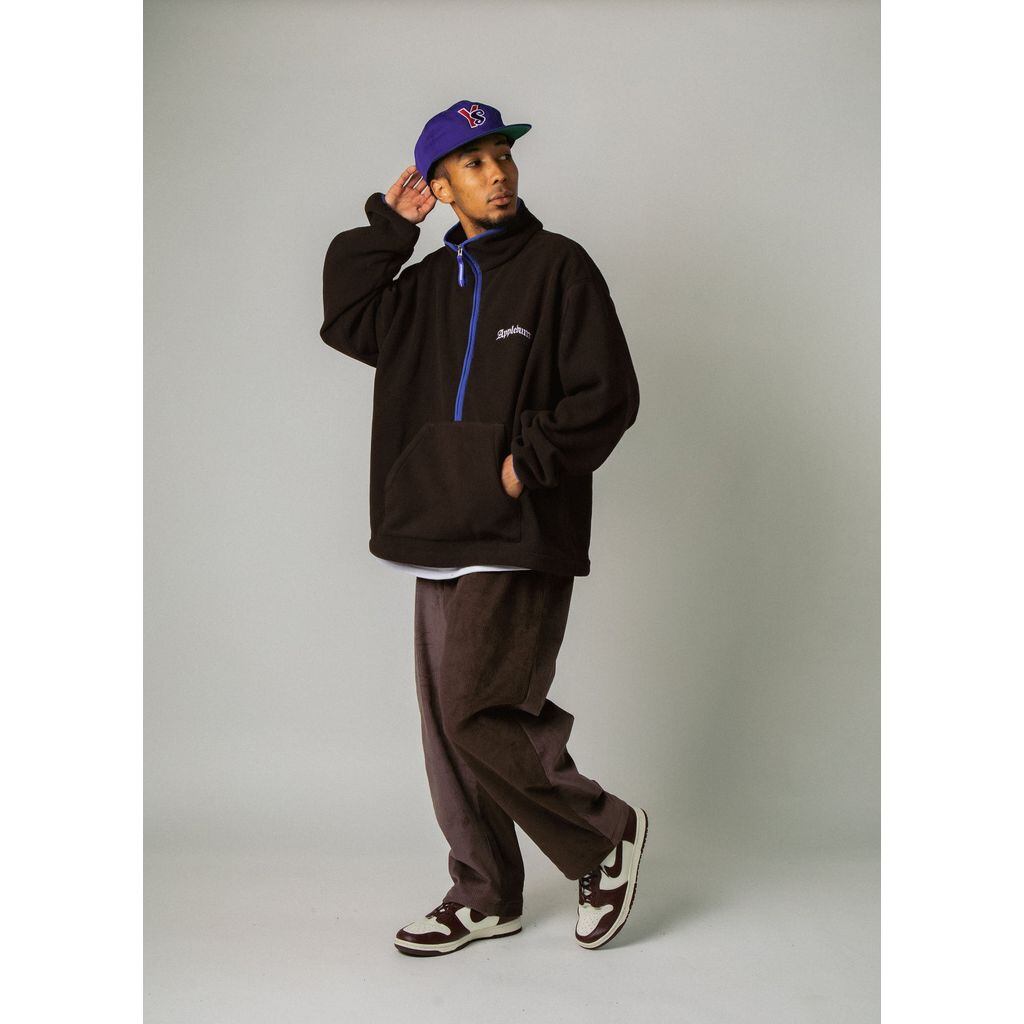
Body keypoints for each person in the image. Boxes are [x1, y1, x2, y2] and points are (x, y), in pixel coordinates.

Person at [319, 99, 648, 955]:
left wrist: (524, 463)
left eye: (503, 155)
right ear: (440, 186)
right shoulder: (426, 286)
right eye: (474, 162)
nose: (498, 173)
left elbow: (607, 393)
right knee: (448, 732)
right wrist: (390, 229)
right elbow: (347, 317)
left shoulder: (558, 266)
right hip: (435, 527)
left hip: (517, 526)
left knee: (478, 709)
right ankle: (486, 891)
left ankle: (604, 836)